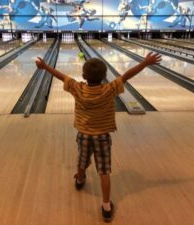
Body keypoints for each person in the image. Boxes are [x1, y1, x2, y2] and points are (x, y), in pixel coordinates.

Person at [35, 52, 162, 222]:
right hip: (102, 136)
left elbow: (61, 76)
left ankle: (80, 179)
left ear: (83, 76)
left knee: (82, 160)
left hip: (84, 135)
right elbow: (126, 76)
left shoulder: (77, 88)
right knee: (104, 171)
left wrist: (45, 66)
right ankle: (106, 206)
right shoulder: (110, 89)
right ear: (104, 77)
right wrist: (145, 63)